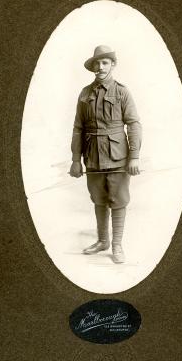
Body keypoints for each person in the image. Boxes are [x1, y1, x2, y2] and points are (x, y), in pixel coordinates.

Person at [70, 45, 142, 263]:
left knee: (118, 200)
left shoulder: (122, 91)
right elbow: (78, 128)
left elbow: (134, 124)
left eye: (105, 62)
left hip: (118, 156)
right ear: (92, 67)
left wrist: (134, 156)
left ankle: (117, 245)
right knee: (99, 199)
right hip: (92, 156)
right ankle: (103, 241)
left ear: (113, 65)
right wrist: (75, 160)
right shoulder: (85, 93)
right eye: (97, 63)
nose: (100, 67)